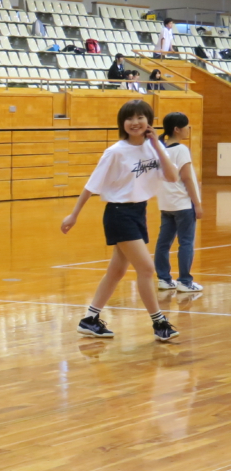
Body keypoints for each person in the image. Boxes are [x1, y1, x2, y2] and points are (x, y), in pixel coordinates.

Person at [61, 99, 180, 342]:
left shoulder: (155, 147)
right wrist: (74, 214)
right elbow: (91, 185)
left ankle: (90, 319)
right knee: (146, 269)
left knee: (116, 271)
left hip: (139, 212)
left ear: (149, 121)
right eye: (129, 118)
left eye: (140, 117)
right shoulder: (115, 152)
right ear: (122, 123)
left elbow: (172, 176)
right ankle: (159, 322)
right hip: (118, 213)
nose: (135, 122)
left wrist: (157, 146)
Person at [154, 111, 203, 293]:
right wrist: (197, 204)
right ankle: (185, 281)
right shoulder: (181, 149)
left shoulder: (159, 149)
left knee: (163, 243)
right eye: (186, 126)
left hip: (166, 204)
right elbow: (187, 178)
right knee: (186, 243)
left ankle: (164, 279)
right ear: (177, 129)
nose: (188, 129)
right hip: (183, 203)